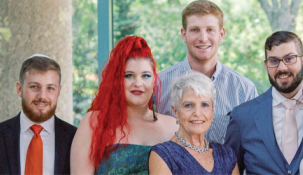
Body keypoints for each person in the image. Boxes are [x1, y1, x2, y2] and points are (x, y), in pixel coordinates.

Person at [70, 36, 179, 174]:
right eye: (129, 75)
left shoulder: (174, 127)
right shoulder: (93, 123)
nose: (138, 83)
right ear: (117, 81)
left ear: (154, 81)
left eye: (145, 76)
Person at [158, 0, 257, 144]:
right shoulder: (159, 85)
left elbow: (252, 146)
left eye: (210, 30)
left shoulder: (244, 90)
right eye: (195, 30)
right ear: (183, 34)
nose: (203, 38)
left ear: (221, 34)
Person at [225, 31, 303, 174]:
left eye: (289, 58)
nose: (282, 68)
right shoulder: (242, 116)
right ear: (266, 66)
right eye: (274, 61)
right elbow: (229, 170)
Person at [0, 54, 77, 174]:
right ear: (19, 89)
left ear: (58, 91)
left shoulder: (75, 138)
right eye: (34, 87)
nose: (42, 96)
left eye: (50, 88)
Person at [148, 73, 239, 174]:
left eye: (205, 105)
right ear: (175, 111)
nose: (198, 113)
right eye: (188, 105)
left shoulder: (227, 155)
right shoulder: (163, 155)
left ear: (212, 111)